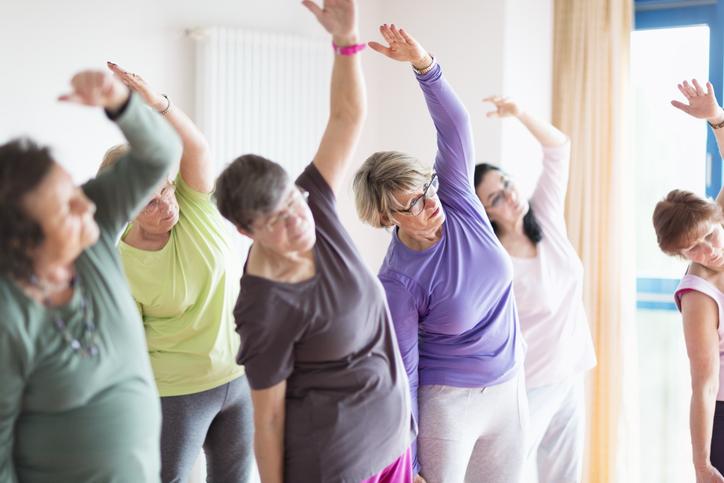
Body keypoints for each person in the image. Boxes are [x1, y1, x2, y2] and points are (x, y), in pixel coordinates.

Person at [214, 1, 414, 482]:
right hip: (336, 465)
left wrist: (347, 42)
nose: (297, 221)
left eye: (292, 202)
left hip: (393, 444)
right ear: (248, 232)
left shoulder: (314, 202)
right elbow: (268, 419)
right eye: (276, 220)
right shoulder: (263, 306)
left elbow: (347, 117)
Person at [353, 25, 528, 483]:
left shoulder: (457, 200)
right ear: (387, 217)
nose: (429, 201)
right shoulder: (397, 282)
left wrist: (423, 64)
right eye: (411, 202)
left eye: (425, 186)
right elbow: (403, 372)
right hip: (450, 403)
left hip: (510, 387)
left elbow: (457, 125)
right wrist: (407, 463)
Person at [0, 69, 181, 482]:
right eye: (66, 207)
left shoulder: (93, 234)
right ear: (22, 241)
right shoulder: (9, 318)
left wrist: (121, 104)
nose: (86, 207)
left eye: (75, 191)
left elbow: (160, 154)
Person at [97, 63, 254, 483]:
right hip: (177, 393)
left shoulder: (194, 205)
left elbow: (197, 148)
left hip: (240, 375)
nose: (166, 203)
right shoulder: (122, 265)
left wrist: (157, 104)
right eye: (149, 201)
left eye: (164, 187)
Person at [473, 97, 597, 483]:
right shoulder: (493, 261)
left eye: (507, 182)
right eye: (496, 197)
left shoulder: (543, 216)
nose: (510, 195)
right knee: (500, 474)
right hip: (530, 386)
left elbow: (559, 147)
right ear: (486, 213)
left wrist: (520, 114)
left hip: (571, 374)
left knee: (564, 477)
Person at [653, 78, 724, 483]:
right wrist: (701, 461)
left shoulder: (719, 219)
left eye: (709, 237)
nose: (708, 251)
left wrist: (715, 118)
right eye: (692, 250)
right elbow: (704, 382)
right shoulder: (699, 294)